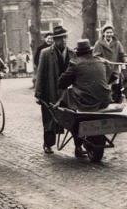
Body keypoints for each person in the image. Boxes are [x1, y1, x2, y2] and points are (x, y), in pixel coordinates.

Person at [35, 25, 81, 155]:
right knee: (50, 119)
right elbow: (40, 74)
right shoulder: (45, 53)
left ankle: (78, 146)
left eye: (65, 37)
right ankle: (48, 144)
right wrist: (38, 94)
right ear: (55, 40)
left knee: (75, 119)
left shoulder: (72, 53)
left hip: (69, 93)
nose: (63, 40)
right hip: (51, 91)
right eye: (60, 38)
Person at [57, 39, 112, 112]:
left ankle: (68, 120)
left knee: (67, 94)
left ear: (77, 53)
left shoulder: (75, 63)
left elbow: (62, 82)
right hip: (105, 101)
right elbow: (109, 75)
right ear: (90, 51)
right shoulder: (101, 61)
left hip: (86, 103)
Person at [93, 23, 127, 102]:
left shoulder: (117, 43)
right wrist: (102, 60)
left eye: (110, 32)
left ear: (113, 33)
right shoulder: (99, 44)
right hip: (104, 70)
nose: (109, 34)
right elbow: (96, 57)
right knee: (104, 87)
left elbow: (122, 54)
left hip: (114, 69)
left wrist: (126, 59)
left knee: (117, 86)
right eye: (107, 32)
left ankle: (116, 101)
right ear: (104, 33)